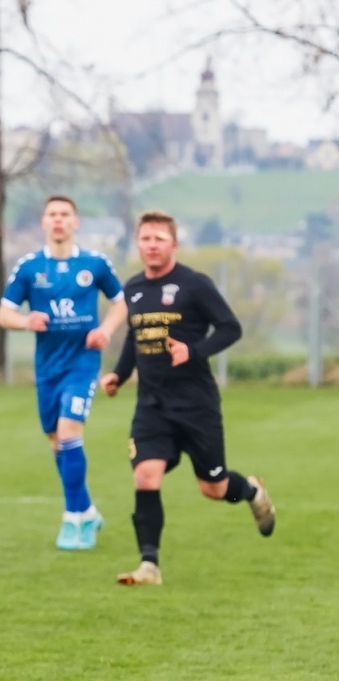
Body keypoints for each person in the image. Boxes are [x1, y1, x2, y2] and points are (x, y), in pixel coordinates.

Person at [100, 210, 274, 586]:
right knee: (146, 475)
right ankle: (149, 565)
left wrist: (193, 351)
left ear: (173, 244)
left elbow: (231, 327)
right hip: (151, 406)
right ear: (138, 243)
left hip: (196, 405)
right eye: (145, 239)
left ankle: (252, 491)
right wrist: (120, 373)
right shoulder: (132, 289)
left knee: (213, 487)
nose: (151, 246)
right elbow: (135, 337)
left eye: (159, 239)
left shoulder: (195, 284)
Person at [0, 195, 128, 550]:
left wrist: (106, 330)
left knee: (70, 430)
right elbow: (4, 314)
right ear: (43, 222)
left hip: (82, 363)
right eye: (52, 214)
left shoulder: (94, 264)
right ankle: (87, 509)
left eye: (65, 214)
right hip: (47, 367)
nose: (58, 220)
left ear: (75, 222)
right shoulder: (29, 268)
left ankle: (73, 520)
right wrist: (27, 320)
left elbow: (121, 302)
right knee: (57, 441)